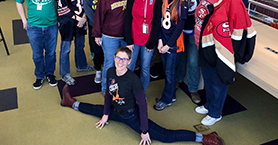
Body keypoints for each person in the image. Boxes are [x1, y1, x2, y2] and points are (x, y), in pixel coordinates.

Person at [60, 46, 226, 145]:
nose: (120, 61)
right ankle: (70, 102)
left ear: (130, 62)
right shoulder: (110, 71)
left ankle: (204, 137)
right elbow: (109, 96)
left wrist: (144, 130)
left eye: (124, 59)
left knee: (166, 136)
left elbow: (143, 107)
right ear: (114, 58)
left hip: (132, 116)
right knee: (96, 110)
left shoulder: (133, 80)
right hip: (116, 111)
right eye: (118, 58)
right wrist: (105, 114)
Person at [194, 0, 256, 126]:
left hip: (221, 49)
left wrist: (232, 51)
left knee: (218, 82)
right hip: (205, 45)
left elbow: (238, 26)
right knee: (208, 79)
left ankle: (215, 113)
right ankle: (209, 105)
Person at [15, 0, 58, 90]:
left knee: (51, 52)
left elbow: (57, 1)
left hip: (52, 25)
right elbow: (18, 2)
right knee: (37, 54)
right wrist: (23, 20)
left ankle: (50, 73)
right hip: (34, 26)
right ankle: (39, 75)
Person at [175, 0, 212, 104]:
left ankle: (193, 89)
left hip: (196, 29)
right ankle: (177, 80)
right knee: (179, 57)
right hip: (179, 27)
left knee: (192, 60)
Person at [92, 0, 133, 94]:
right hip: (110, 36)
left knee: (127, 65)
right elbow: (98, 15)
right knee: (110, 64)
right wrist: (97, 35)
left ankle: (123, 90)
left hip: (127, 37)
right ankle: (106, 89)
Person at [57, 0, 94, 86]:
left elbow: (85, 2)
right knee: (65, 49)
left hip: (81, 20)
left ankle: (81, 65)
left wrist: (83, 17)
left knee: (80, 45)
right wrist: (78, 19)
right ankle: (65, 73)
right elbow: (62, 9)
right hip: (67, 21)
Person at [125, 0, 162, 93]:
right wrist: (128, 40)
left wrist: (152, 42)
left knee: (145, 68)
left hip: (148, 40)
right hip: (133, 38)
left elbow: (157, 21)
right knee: (129, 66)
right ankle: (128, 93)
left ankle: (141, 93)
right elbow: (128, 18)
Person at [154, 0, 187, 111]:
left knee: (169, 73)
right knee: (167, 70)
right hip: (164, 41)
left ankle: (166, 99)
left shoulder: (182, 4)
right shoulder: (164, 1)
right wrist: (160, 41)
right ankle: (171, 95)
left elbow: (179, 28)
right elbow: (161, 24)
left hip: (173, 44)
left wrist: (168, 45)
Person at [83, 0, 108, 84]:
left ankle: (109, 71)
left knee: (110, 50)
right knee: (97, 51)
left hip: (110, 26)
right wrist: (99, 27)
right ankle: (98, 70)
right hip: (95, 26)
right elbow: (88, 11)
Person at [149, 0, 170, 79]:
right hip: (149, 16)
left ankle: (163, 67)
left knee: (162, 41)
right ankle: (149, 66)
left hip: (165, 16)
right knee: (150, 41)